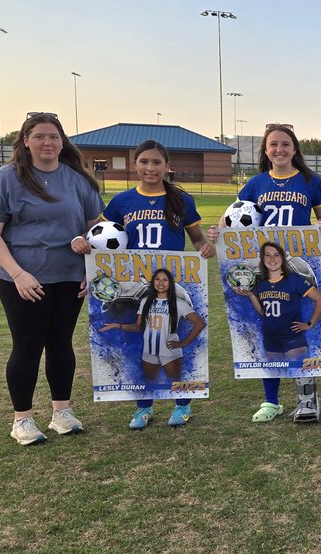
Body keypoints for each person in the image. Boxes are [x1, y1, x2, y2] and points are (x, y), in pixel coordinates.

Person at [0, 112, 104, 446]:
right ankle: (23, 419)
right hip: (21, 278)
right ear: (26, 141)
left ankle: (62, 413)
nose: (48, 142)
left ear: (63, 142)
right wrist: (18, 273)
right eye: (40, 136)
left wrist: (91, 267)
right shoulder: (6, 179)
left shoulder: (78, 180)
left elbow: (95, 228)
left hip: (69, 277)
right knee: (27, 345)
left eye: (54, 137)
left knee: (61, 343)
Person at [81, 139, 215, 429]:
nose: (150, 168)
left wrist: (205, 247)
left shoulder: (182, 200)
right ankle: (143, 407)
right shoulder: (122, 201)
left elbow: (197, 239)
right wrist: (82, 243)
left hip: (168, 282)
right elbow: (101, 238)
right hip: (134, 283)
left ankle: (182, 403)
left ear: (167, 166)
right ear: (135, 165)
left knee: (171, 340)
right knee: (139, 342)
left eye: (156, 162)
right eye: (144, 162)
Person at [209, 123, 321, 423]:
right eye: (273, 144)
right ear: (265, 151)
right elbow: (232, 217)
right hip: (267, 266)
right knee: (270, 328)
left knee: (298, 329)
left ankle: (307, 399)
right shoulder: (256, 183)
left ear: (294, 148)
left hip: (298, 265)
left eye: (285, 144)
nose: (279, 149)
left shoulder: (309, 179)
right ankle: (271, 401)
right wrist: (218, 232)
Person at [233, 242, 321, 420]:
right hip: (271, 335)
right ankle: (272, 404)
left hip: (292, 335)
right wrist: (251, 296)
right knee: (272, 369)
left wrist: (310, 324)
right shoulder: (260, 283)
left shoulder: (294, 279)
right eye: (267, 255)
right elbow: (263, 312)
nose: (272, 259)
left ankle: (308, 402)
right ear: (262, 259)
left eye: (276, 255)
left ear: (283, 258)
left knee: (299, 366)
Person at [98, 268, 206, 422]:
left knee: (177, 376)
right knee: (144, 377)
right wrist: (118, 326)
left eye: (165, 280)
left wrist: (184, 342)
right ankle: (144, 409)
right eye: (157, 280)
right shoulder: (144, 302)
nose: (161, 284)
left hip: (170, 350)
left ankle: (182, 407)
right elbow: (139, 326)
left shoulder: (179, 303)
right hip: (149, 350)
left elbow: (199, 323)